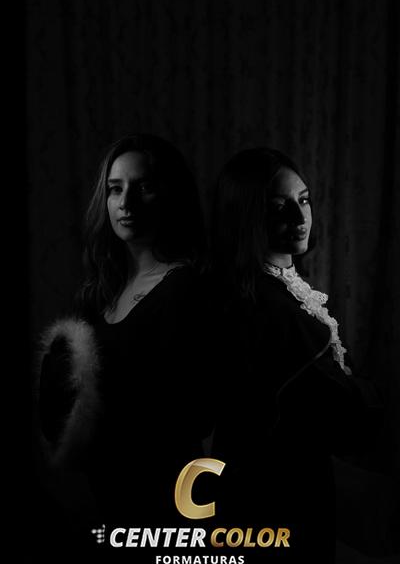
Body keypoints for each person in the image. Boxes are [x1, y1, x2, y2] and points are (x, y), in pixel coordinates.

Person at [34, 133, 213, 557]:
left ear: (170, 196)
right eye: (115, 189)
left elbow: (194, 412)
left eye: (143, 186)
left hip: (166, 494)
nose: (126, 202)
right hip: (108, 493)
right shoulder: (99, 292)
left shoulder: (185, 287)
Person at [207, 147, 383, 563]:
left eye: (303, 200)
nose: (300, 216)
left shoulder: (272, 286)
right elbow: (344, 418)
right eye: (277, 207)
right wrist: (368, 396)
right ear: (246, 217)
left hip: (263, 478)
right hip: (278, 490)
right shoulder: (267, 306)